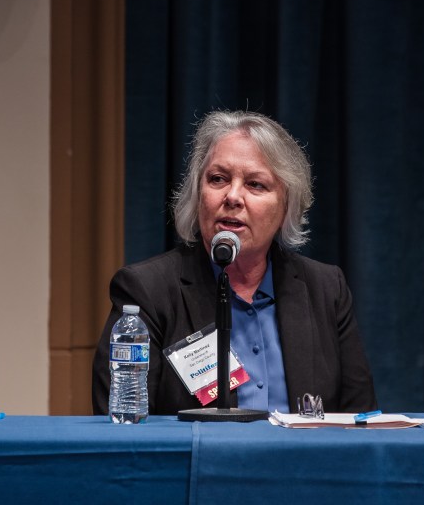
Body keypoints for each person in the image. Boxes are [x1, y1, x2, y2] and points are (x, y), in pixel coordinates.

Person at [92, 110, 377, 415]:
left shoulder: (325, 288)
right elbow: (125, 424)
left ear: (286, 207)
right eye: (218, 179)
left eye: (255, 184)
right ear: (198, 194)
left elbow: (360, 419)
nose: (232, 196)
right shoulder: (147, 291)